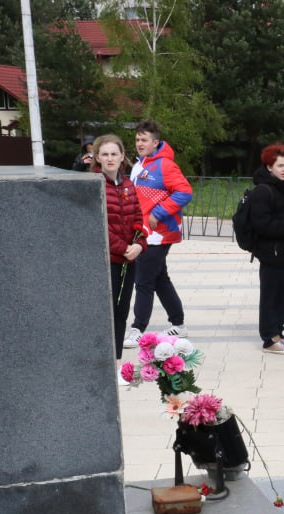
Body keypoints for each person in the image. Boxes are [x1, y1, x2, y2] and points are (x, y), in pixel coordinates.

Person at [125, 119, 193, 347]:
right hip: (145, 232)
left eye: (144, 140)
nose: (139, 143)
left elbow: (185, 192)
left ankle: (138, 329)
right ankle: (178, 324)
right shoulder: (139, 165)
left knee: (143, 281)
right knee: (160, 279)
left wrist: (159, 212)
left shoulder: (165, 165)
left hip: (158, 234)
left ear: (155, 143)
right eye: (137, 139)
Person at [93, 134, 144, 366]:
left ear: (122, 156)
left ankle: (115, 362)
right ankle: (102, 364)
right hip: (107, 261)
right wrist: (123, 248)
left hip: (129, 259)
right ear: (97, 157)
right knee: (106, 313)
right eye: (105, 154)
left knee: (122, 311)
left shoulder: (129, 185)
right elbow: (98, 224)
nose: (110, 158)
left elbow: (138, 219)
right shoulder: (94, 185)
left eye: (114, 154)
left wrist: (139, 245)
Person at [248, 142, 284, 354]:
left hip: (282, 253)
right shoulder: (263, 191)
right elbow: (263, 225)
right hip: (271, 253)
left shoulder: (281, 187)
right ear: (269, 167)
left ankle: (277, 333)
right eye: (280, 165)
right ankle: (270, 339)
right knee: (271, 296)